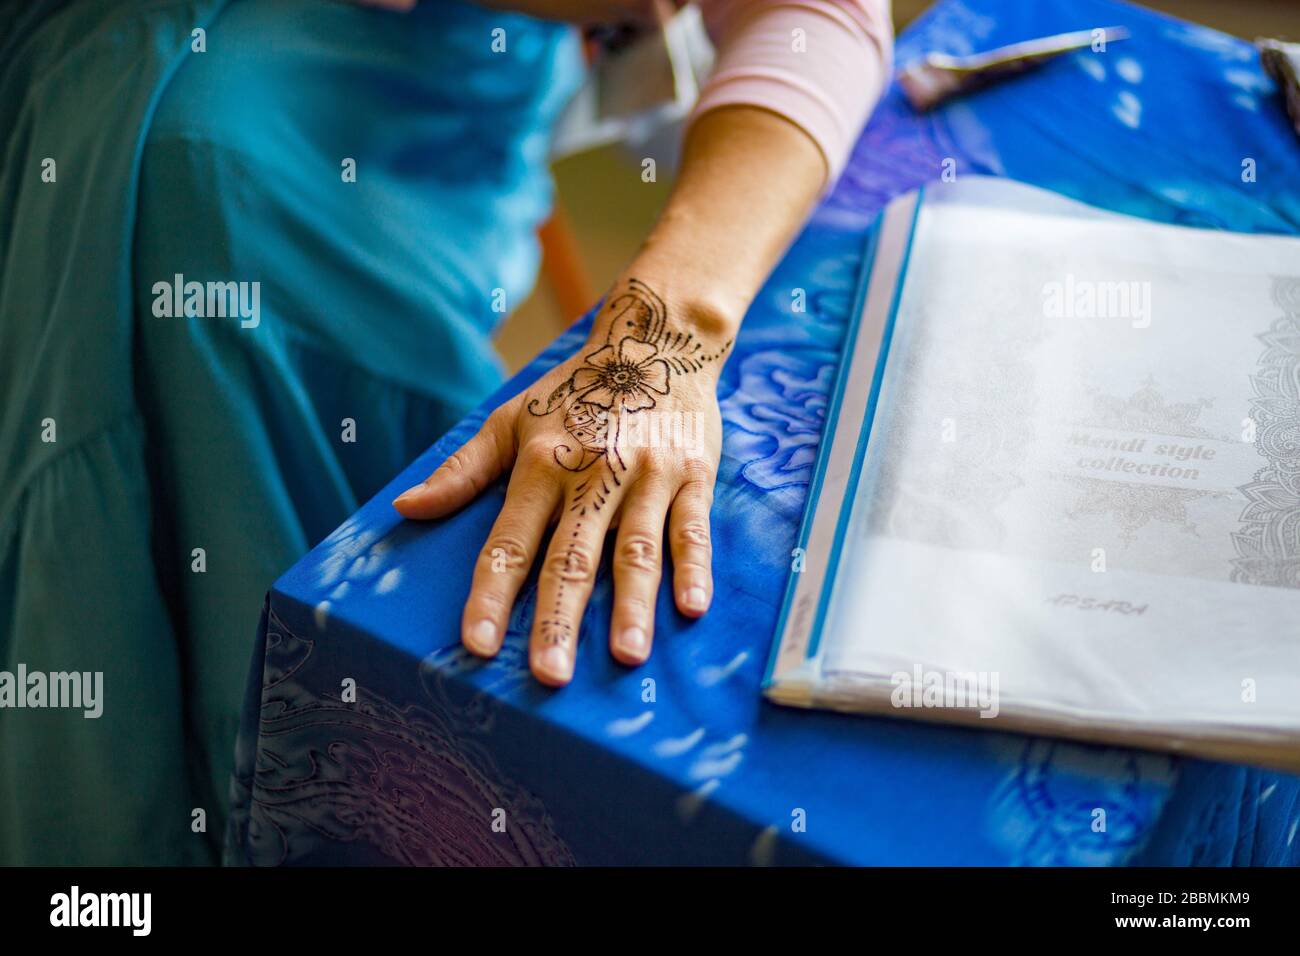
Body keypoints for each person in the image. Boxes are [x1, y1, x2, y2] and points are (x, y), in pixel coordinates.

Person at [0, 0, 890, 864]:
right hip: (171, 123)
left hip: (448, 72)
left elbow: (823, 15)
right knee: (199, 196)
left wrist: (663, 331)